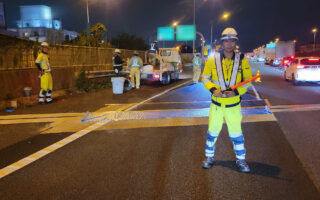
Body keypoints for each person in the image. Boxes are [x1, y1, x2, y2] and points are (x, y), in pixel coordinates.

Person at [201, 27, 253, 173]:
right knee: (212, 133)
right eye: (226, 41)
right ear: (222, 42)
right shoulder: (212, 59)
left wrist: (236, 91)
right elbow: (205, 78)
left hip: (233, 105)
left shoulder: (242, 59)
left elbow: (248, 80)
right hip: (217, 105)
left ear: (235, 42)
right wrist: (213, 89)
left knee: (236, 134)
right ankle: (209, 158)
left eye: (232, 41)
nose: (229, 44)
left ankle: (241, 160)